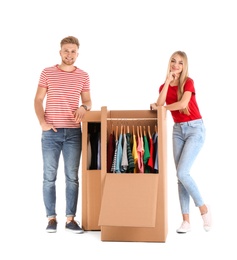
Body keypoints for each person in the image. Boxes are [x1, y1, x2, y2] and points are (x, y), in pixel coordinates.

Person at [34, 36, 92, 234]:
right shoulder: (47, 72)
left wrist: (84, 107)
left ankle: (70, 219)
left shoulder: (83, 75)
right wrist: (43, 122)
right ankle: (51, 218)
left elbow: (88, 100)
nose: (70, 54)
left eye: (73, 51)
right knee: (49, 177)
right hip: (51, 133)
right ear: (60, 52)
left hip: (74, 133)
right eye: (66, 51)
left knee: (72, 177)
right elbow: (38, 99)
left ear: (78, 53)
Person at [150, 51, 212, 233]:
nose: (176, 65)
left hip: (195, 128)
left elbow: (183, 104)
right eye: (173, 61)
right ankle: (186, 221)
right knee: (180, 177)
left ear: (185, 66)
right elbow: (159, 102)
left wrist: (162, 108)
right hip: (178, 130)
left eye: (180, 63)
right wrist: (168, 82)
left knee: (183, 172)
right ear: (169, 64)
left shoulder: (188, 82)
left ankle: (203, 208)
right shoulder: (164, 85)